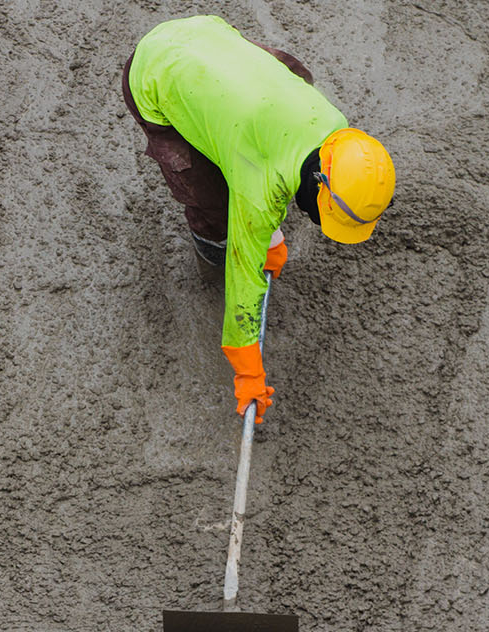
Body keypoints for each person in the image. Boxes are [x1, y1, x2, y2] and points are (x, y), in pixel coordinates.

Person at [122, 15, 396, 423]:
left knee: (290, 73)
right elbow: (244, 273)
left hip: (211, 39)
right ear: (319, 184)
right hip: (155, 71)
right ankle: (207, 245)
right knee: (211, 199)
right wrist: (247, 368)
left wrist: (269, 234)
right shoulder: (258, 186)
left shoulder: (337, 129)